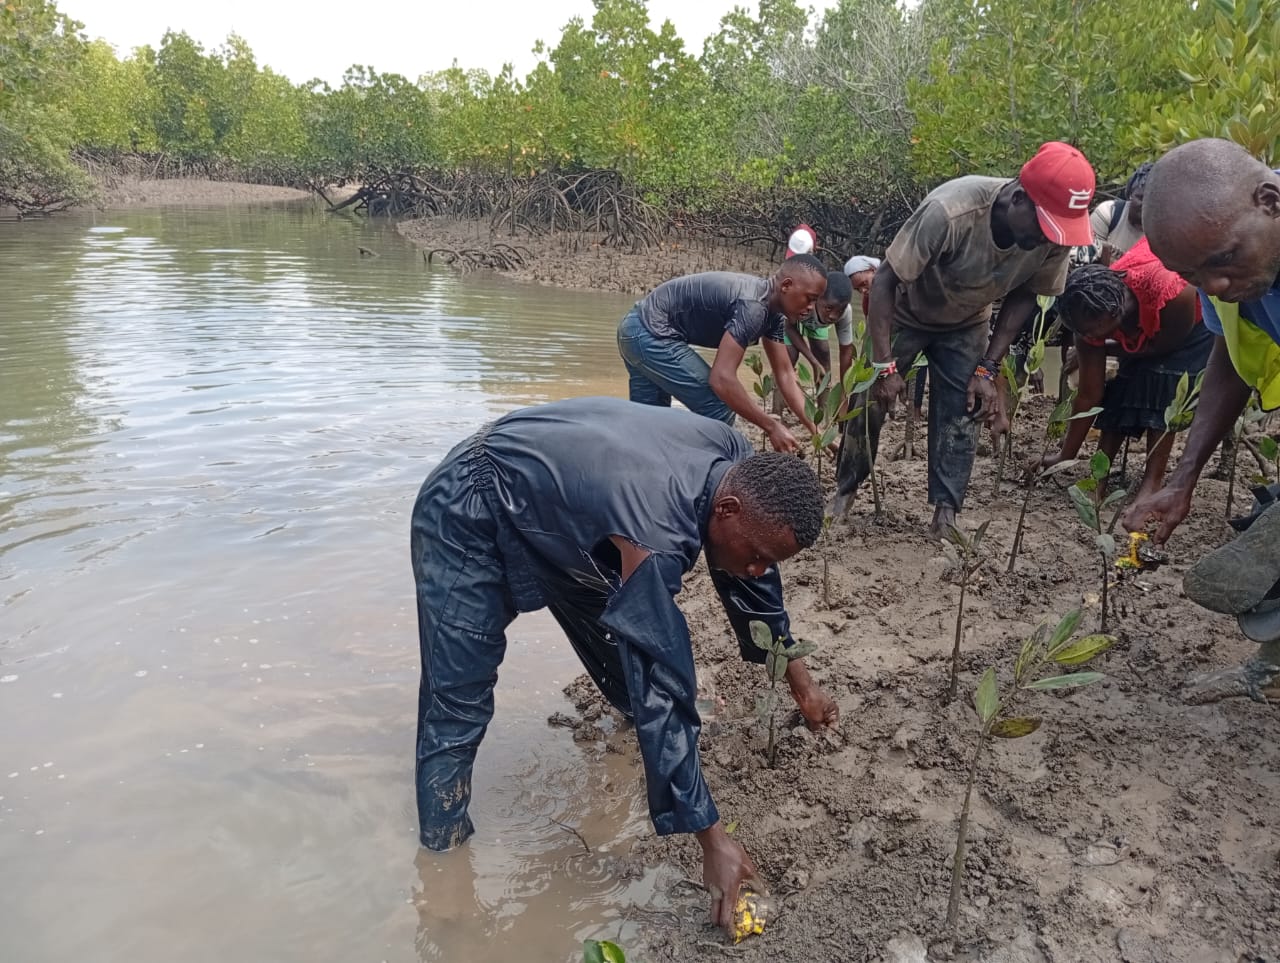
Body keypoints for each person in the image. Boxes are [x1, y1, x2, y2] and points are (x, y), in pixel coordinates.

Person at [411, 397, 840, 929]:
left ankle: (631, 720)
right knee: (459, 697)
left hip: (568, 509)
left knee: (624, 644)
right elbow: (661, 671)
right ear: (726, 510)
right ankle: (443, 860)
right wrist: (714, 838)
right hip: (470, 505)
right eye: (754, 553)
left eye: (767, 560)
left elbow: (757, 588)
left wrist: (803, 687)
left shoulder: (735, 459)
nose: (755, 569)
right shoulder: (655, 535)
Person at [857, 141, 1096, 536]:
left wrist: (989, 366)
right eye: (1043, 227)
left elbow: (1025, 296)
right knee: (868, 399)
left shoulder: (1055, 239)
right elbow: (885, 279)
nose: (1047, 239)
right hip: (906, 311)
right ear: (1019, 199)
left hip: (968, 321)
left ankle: (946, 512)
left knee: (966, 407)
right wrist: (884, 365)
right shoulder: (950, 212)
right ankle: (847, 491)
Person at [1120, 139, 1280, 700]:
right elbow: (1232, 360)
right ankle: (1272, 672)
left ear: (1270, 201)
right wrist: (1182, 480)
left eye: (1222, 261)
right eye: (1190, 273)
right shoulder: (1234, 269)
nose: (1212, 286)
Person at [1034, 237, 1211, 500]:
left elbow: (1163, 347)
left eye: (1095, 331)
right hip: (1143, 331)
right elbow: (1089, 395)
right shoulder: (1088, 324)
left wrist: (1110, 348)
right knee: (1119, 391)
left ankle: (1151, 484)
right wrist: (1065, 455)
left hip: (1192, 325)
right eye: (1084, 333)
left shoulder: (1168, 291)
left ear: (1115, 314)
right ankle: (1098, 479)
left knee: (1162, 384)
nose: (1090, 336)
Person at [617, 257, 829, 453]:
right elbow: (721, 379)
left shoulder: (773, 314)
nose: (810, 309)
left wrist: (817, 431)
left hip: (636, 328)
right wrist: (771, 426)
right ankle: (700, 472)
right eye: (809, 299)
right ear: (786, 286)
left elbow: (785, 375)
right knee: (719, 406)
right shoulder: (753, 308)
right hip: (649, 334)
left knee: (648, 425)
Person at [784, 271, 856, 385]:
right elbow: (789, 328)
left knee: (823, 360)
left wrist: (845, 392)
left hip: (815, 322)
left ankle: (825, 403)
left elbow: (846, 351)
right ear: (818, 297)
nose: (833, 316)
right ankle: (779, 400)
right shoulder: (803, 298)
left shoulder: (846, 312)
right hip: (787, 320)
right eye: (828, 308)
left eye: (840, 311)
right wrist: (813, 361)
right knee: (789, 356)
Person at [1089, 162, 1153, 265]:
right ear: (1130, 194)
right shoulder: (1109, 213)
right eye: (1140, 198)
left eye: (1153, 200)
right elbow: (1086, 257)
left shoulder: (1164, 231)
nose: (1145, 205)